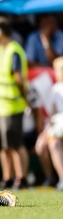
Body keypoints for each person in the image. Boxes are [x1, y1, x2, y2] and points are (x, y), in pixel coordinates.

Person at [0, 16, 29, 190]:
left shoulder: (13, 50)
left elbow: (18, 79)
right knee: (3, 146)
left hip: (12, 106)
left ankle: (22, 178)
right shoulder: (1, 49)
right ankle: (7, 177)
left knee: (15, 144)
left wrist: (23, 97)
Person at [43, 57, 63, 190]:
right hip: (59, 128)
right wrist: (44, 133)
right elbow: (52, 115)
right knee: (52, 143)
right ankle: (60, 178)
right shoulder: (55, 88)